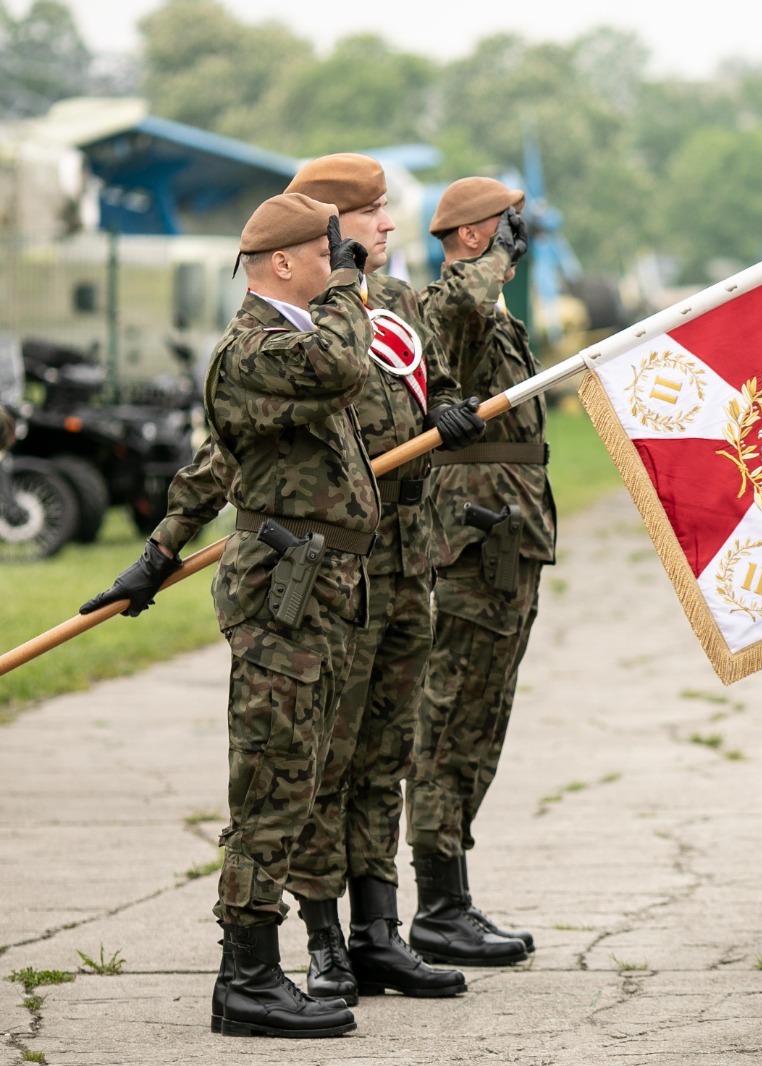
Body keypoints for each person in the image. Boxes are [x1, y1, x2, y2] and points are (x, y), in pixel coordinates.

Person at [101, 154, 491, 1005]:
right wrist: (163, 548)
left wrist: (445, 423)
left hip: (371, 567)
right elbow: (239, 445)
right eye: (361, 220)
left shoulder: (358, 318)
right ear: (301, 249)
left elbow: (369, 414)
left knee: (367, 760)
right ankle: (282, 958)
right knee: (290, 774)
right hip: (297, 579)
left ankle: (367, 932)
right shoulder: (287, 340)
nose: (382, 230)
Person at [84, 194, 372, 1037]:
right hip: (284, 592)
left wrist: (163, 547)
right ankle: (246, 978)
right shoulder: (259, 347)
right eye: (328, 250)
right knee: (272, 779)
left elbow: (221, 458)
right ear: (283, 263)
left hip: (318, 587)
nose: (341, 260)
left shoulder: (286, 342)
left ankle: (261, 969)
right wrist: (348, 289)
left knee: (300, 775)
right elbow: (344, 370)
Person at [405, 177, 555, 964]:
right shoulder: (452, 308)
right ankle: (438, 904)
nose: (517, 238)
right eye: (505, 227)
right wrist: (494, 261)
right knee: (451, 722)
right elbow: (455, 309)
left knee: (482, 722)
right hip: (473, 541)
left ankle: (452, 895)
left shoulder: (495, 312)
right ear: (471, 238)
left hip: (506, 539)